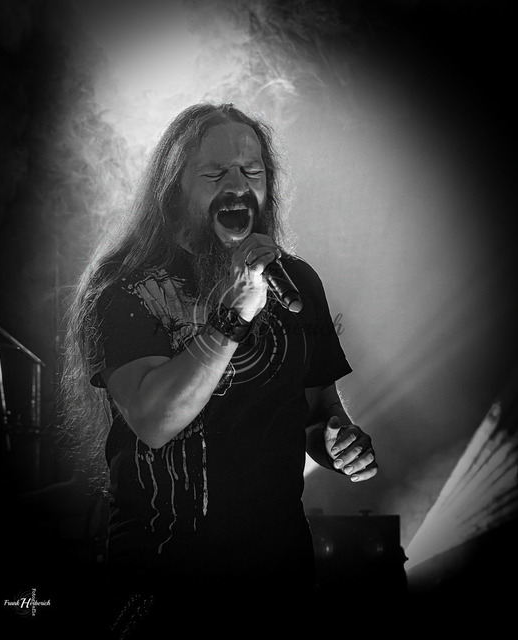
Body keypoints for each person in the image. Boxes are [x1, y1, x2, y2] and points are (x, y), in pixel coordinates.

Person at [61, 102, 377, 636]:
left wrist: (341, 442)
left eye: (252, 171)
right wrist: (234, 316)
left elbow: (316, 411)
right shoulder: (126, 287)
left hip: (279, 576)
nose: (237, 186)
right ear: (173, 188)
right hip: (164, 581)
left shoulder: (297, 282)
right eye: (215, 173)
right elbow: (154, 420)